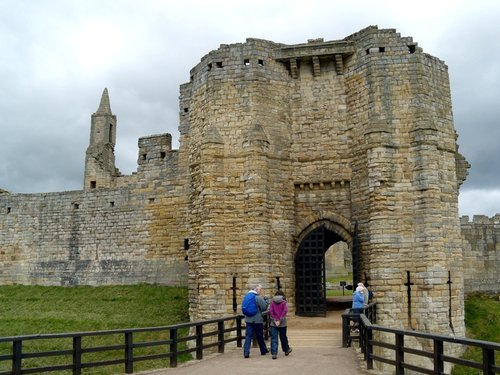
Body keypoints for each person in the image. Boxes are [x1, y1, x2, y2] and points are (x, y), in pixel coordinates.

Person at [243, 284, 269, 358]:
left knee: (248, 336)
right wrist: (266, 301)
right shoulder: (258, 297)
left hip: (248, 319)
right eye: (260, 289)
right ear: (256, 290)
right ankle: (263, 350)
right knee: (260, 335)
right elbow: (264, 308)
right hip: (257, 320)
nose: (260, 291)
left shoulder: (247, 297)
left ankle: (246, 352)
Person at [269, 290, 292, 360]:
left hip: (273, 323)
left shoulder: (272, 302)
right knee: (283, 337)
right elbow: (284, 311)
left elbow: (271, 312)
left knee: (274, 338)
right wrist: (280, 320)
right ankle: (286, 350)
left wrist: (275, 320)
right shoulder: (284, 302)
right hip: (282, 323)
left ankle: (274, 353)